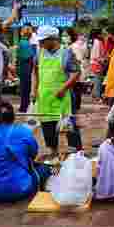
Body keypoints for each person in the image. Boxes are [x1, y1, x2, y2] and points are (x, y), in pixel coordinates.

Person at [0, 100, 50, 202]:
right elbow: (33, 154)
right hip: (20, 190)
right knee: (44, 169)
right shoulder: (25, 132)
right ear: (13, 117)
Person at [33, 26, 79, 156]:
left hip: (62, 100)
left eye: (43, 41)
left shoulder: (66, 53)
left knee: (69, 130)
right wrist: (33, 90)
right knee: (48, 130)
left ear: (53, 39)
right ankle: (53, 154)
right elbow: (35, 72)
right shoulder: (39, 53)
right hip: (45, 100)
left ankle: (75, 156)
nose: (40, 44)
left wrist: (64, 88)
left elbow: (76, 73)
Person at [17, 26, 36, 112]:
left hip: (24, 68)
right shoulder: (25, 43)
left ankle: (24, 106)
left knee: (25, 89)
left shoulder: (23, 42)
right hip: (26, 68)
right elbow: (30, 56)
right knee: (25, 89)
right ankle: (24, 106)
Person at [89, 29, 107, 103]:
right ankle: (97, 97)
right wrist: (103, 61)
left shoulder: (94, 42)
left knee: (96, 80)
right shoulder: (98, 42)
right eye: (102, 33)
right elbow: (97, 55)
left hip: (94, 63)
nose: (103, 35)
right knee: (98, 81)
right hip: (97, 64)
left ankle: (95, 95)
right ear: (98, 35)